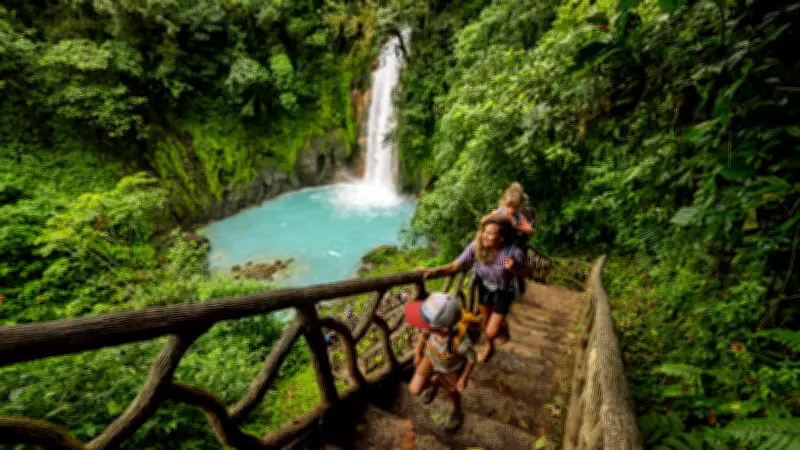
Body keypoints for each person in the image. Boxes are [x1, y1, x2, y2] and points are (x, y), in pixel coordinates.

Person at [417, 214, 532, 363]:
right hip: (484, 286)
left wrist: (515, 268)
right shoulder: (477, 245)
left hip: (504, 290)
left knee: (491, 331)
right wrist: (433, 271)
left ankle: (498, 328)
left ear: (502, 238)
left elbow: (529, 272)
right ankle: (489, 346)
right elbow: (454, 266)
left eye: (490, 234)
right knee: (485, 322)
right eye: (484, 231)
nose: (484, 236)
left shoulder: (514, 252)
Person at [405, 292, 476, 432]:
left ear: (443, 329)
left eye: (424, 321)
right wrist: (417, 353)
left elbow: (472, 358)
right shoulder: (430, 329)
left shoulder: (461, 344)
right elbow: (423, 336)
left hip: (450, 368)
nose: (421, 323)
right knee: (414, 389)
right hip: (430, 358)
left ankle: (457, 410)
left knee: (452, 392)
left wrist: (464, 377)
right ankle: (436, 382)